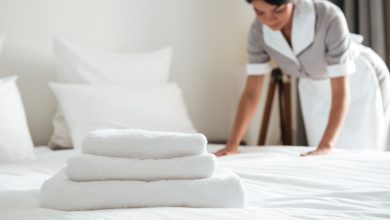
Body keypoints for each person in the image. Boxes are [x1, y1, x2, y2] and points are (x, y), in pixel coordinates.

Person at [215, 0, 390, 157]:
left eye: (278, 10)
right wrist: (232, 144)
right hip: (312, 83)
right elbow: (251, 93)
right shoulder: (257, 32)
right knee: (320, 152)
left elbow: (340, 92)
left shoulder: (328, 16)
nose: (269, 20)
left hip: (357, 78)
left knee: (361, 147)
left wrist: (326, 145)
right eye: (260, 12)